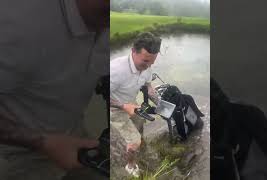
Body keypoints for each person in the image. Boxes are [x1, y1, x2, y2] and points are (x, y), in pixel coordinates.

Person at [0, 0, 108, 180]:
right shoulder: (14, 25)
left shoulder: (107, 18)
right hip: (21, 151)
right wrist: (44, 143)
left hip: (74, 132)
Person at [110, 32, 161, 177]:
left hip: (132, 103)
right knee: (134, 142)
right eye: (145, 61)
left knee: (140, 123)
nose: (148, 66)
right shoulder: (115, 70)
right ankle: (130, 165)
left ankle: (139, 142)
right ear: (133, 51)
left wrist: (160, 103)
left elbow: (148, 86)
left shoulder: (148, 65)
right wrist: (123, 106)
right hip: (114, 109)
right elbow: (102, 94)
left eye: (152, 62)